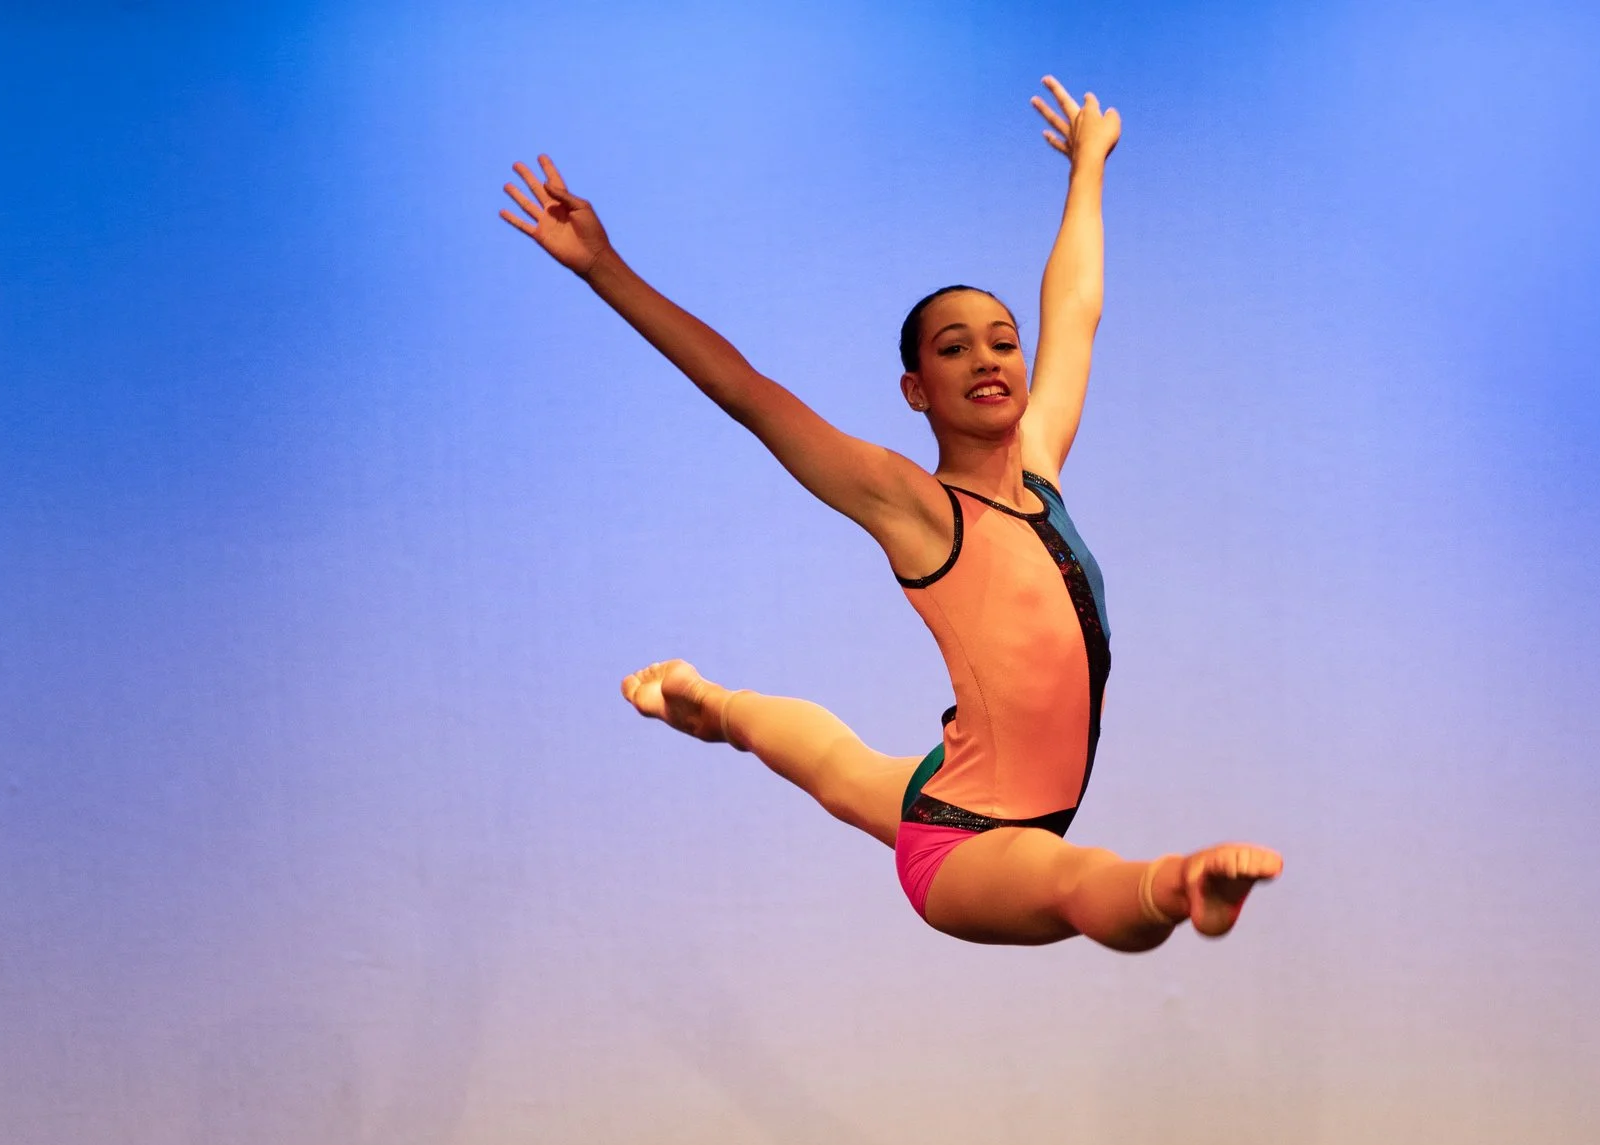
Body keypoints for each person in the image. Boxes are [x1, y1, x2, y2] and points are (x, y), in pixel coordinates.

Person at [500, 77, 1280, 952]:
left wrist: (1088, 167)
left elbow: (1076, 310)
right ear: (916, 389)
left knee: (841, 771)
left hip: (955, 780)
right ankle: (1178, 885)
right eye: (954, 349)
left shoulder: (1041, 465)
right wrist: (604, 266)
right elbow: (746, 392)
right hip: (967, 848)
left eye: (1001, 340)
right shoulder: (916, 508)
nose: (987, 359)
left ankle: (708, 703)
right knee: (1073, 883)